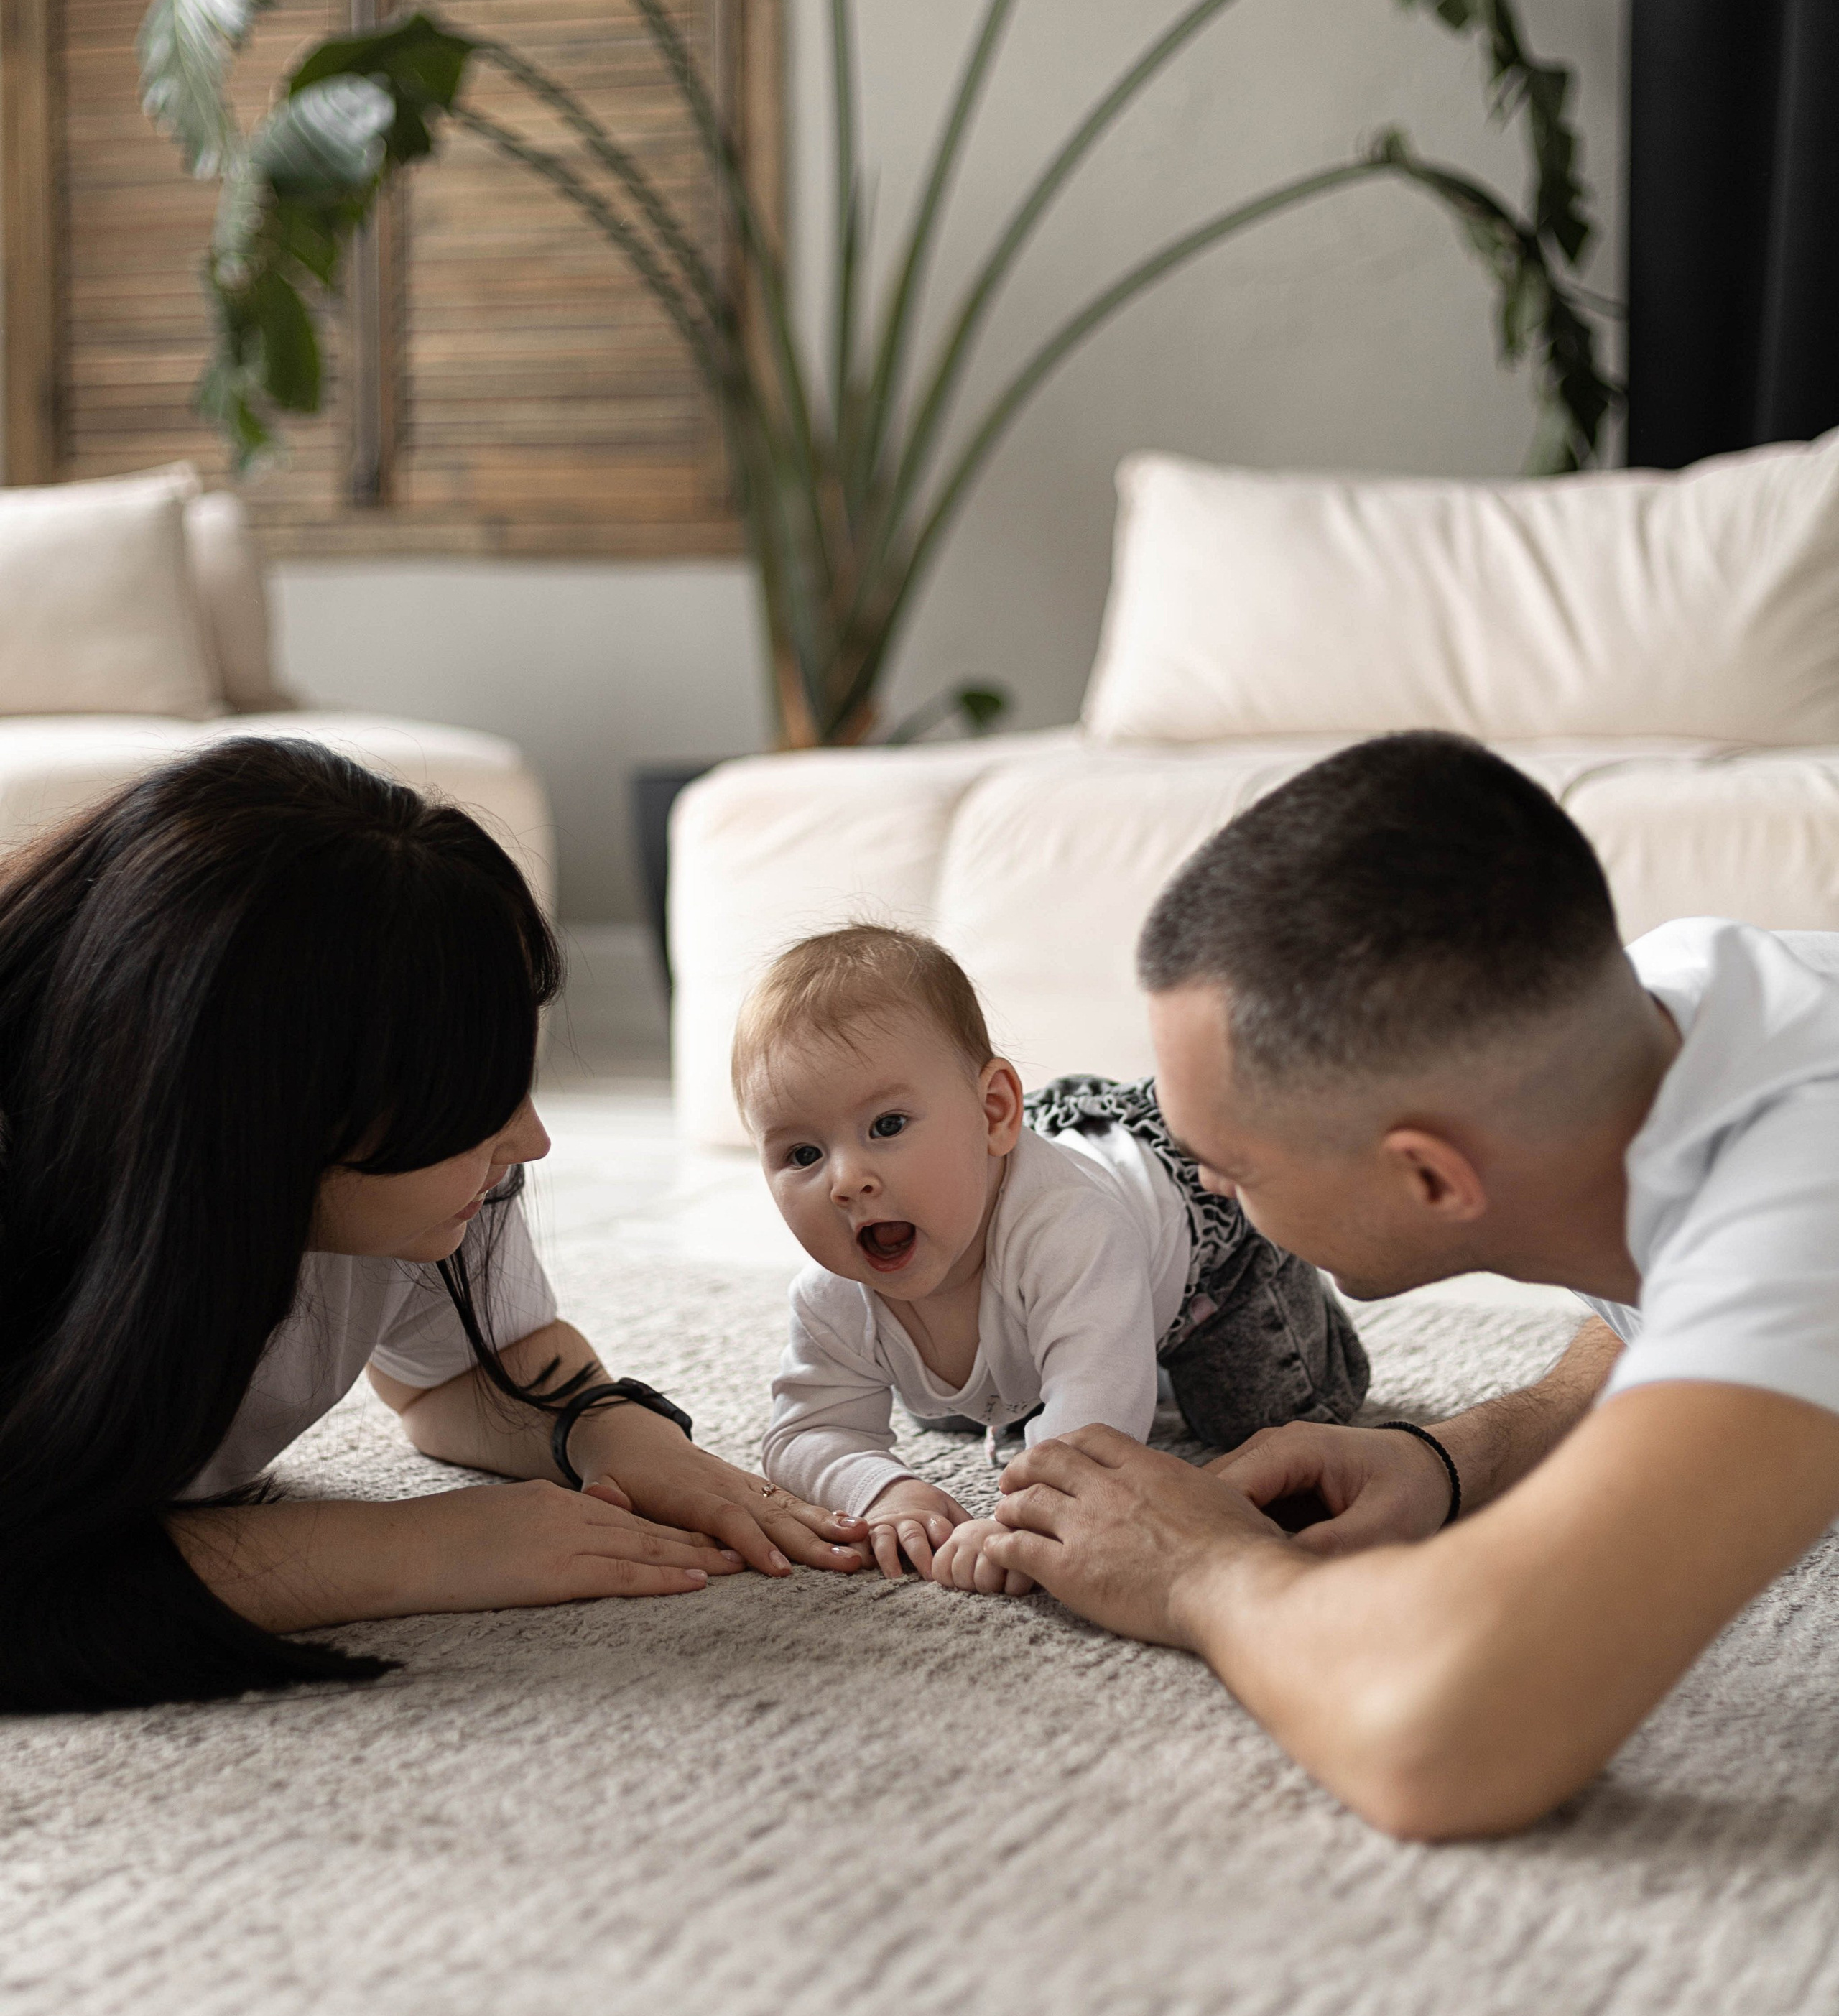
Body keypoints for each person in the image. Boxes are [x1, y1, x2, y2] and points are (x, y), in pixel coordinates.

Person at [981, 731, 1839, 1839]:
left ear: (1430, 1175)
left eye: (1228, 1165)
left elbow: (1455, 1737)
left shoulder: (1810, 1191)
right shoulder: (1679, 1011)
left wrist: (1200, 1568)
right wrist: (1458, 1459)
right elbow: (1697, 1298)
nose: (1199, 1181)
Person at [0, 740, 865, 1715]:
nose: (529, 1142)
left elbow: (463, 1371)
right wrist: (401, 1551)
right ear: (274, 1122)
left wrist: (615, 1434)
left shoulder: (412, 1200)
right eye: (476, 1106)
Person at [735, 924, 1368, 1586]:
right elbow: (802, 1437)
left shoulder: (1070, 1230)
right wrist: (884, 1491)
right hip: (1034, 1233)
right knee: (960, 1407)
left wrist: (1019, 1522)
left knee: (1262, 1423)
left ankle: (1184, 1323)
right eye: (802, 1155)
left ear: (993, 1114)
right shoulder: (831, 1297)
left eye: (887, 1126)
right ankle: (1102, 1345)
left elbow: (1093, 1444)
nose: (846, 1180)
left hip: (1202, 1240)